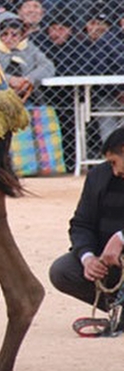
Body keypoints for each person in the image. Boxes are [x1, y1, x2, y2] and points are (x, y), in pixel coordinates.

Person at [48, 129, 124, 308]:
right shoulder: (99, 176)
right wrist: (88, 258)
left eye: (114, 162)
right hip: (109, 261)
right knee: (63, 271)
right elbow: (81, 224)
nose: (114, 171)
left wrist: (121, 238)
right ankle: (118, 308)